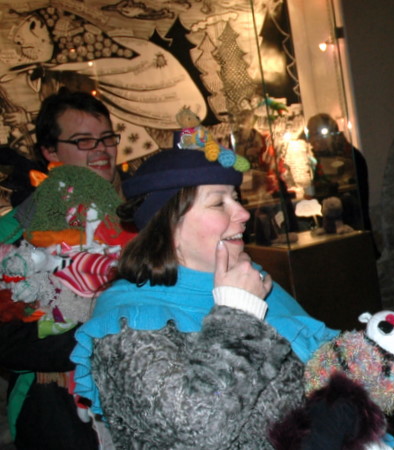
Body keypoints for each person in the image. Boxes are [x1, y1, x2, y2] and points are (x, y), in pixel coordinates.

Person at [69, 148, 340, 448]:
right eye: (218, 203)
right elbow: (199, 426)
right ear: (169, 225)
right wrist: (239, 315)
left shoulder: (251, 280)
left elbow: (325, 367)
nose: (243, 213)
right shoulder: (127, 321)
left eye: (235, 198)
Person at [0, 89, 124, 449]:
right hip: (53, 407)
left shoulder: (135, 217)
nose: (101, 150)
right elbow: (9, 343)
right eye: (84, 141)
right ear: (50, 151)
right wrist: (104, 334)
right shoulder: (18, 232)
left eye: (107, 138)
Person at [305, 113, 375, 235]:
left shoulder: (347, 157)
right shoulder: (324, 160)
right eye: (309, 135)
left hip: (351, 228)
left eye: (313, 134)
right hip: (334, 227)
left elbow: (346, 192)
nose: (310, 141)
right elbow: (316, 188)